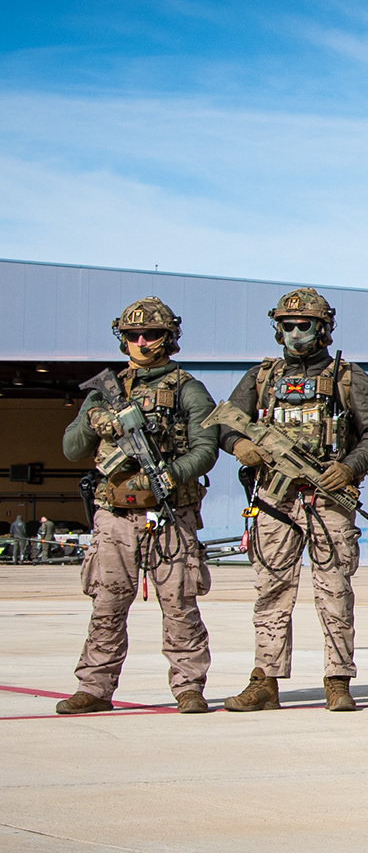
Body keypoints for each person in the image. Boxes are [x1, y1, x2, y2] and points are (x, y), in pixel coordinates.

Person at [217, 287, 368, 712]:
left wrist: (350, 467)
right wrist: (240, 446)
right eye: (287, 325)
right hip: (274, 500)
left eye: (304, 324)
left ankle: (337, 679)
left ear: (323, 328)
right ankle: (266, 680)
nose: (295, 331)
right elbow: (223, 423)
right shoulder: (262, 377)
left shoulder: (347, 376)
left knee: (334, 589)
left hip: (328, 499)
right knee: (271, 590)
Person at [55, 297, 219, 715]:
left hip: (169, 514)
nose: (142, 342)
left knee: (180, 605)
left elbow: (206, 449)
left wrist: (165, 475)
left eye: (152, 335)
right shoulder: (105, 390)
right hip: (114, 517)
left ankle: (189, 688)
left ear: (169, 339)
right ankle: (94, 687)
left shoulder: (187, 388)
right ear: (122, 338)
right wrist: (93, 419)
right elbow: (72, 449)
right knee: (107, 605)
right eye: (133, 335)